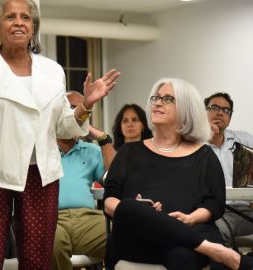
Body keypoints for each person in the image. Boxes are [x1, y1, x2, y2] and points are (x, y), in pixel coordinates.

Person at [0, 0, 120, 268]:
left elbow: (63, 127)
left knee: (38, 257)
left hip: (41, 173)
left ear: (33, 26)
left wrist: (86, 104)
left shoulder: (52, 70)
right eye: (10, 17)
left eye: (26, 18)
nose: (19, 22)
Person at [103, 78, 253, 270]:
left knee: (183, 256)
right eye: (156, 98)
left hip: (192, 234)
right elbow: (109, 201)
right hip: (140, 236)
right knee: (129, 207)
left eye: (167, 99)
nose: (157, 102)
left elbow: (214, 203)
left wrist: (191, 219)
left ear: (185, 110)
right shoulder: (129, 152)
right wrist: (145, 213)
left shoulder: (204, 155)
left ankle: (204, 246)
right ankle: (217, 251)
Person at [52, 91, 106, 270]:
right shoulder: (43, 150)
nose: (76, 113)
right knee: (51, 242)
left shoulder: (92, 151)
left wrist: (102, 137)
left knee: (126, 235)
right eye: (71, 108)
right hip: (53, 219)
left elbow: (113, 181)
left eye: (82, 109)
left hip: (88, 220)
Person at [204, 92, 253, 248]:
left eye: (226, 110)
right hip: (217, 213)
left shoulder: (244, 140)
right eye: (215, 107)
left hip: (247, 210)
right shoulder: (194, 144)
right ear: (204, 112)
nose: (220, 112)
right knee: (215, 234)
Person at [88, 103, 152, 170]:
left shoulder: (152, 150)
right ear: (120, 127)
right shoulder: (111, 152)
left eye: (135, 120)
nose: (129, 124)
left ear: (143, 125)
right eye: (125, 121)